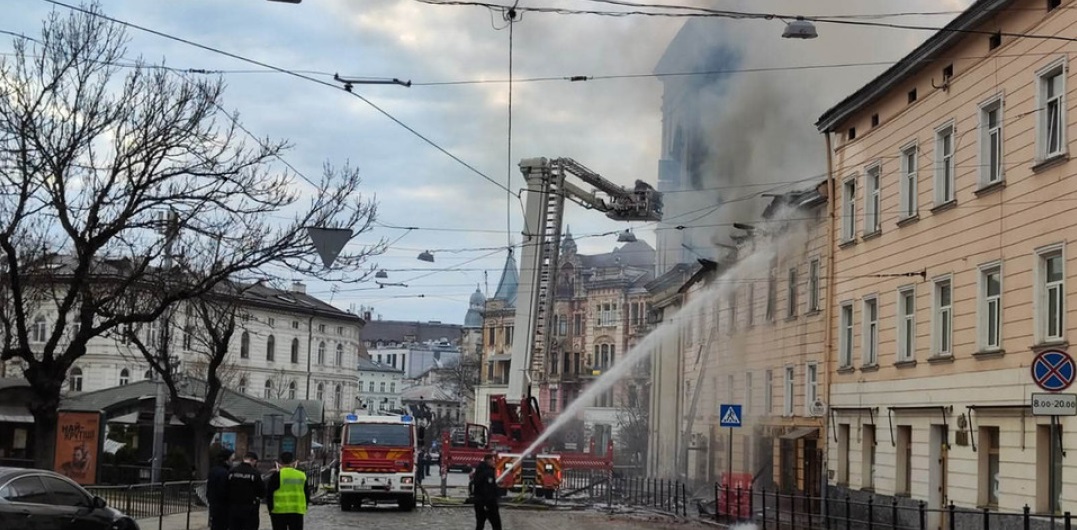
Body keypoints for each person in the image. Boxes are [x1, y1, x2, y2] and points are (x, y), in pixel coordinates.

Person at [266, 452, 309, 530]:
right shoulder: (301, 475)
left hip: (279, 511)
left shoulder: (276, 475)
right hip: (297, 511)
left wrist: (270, 509)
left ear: (280, 462)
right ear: (293, 461)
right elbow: (306, 493)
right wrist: (305, 506)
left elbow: (269, 494)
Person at [228, 452, 265, 530]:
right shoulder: (255, 473)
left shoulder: (232, 471)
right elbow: (262, 492)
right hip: (250, 508)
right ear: (253, 461)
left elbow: (226, 487)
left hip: (233, 507)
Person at [469, 453, 502, 530]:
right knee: (496, 525)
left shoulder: (479, 470)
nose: (494, 462)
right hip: (488, 504)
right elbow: (488, 489)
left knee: (480, 524)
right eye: (493, 461)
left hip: (478, 502)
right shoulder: (488, 473)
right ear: (488, 461)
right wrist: (489, 504)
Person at [206, 448, 234, 530]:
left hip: (214, 505)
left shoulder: (213, 470)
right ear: (226, 460)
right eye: (232, 459)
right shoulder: (224, 473)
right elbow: (223, 491)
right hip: (222, 507)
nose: (233, 461)